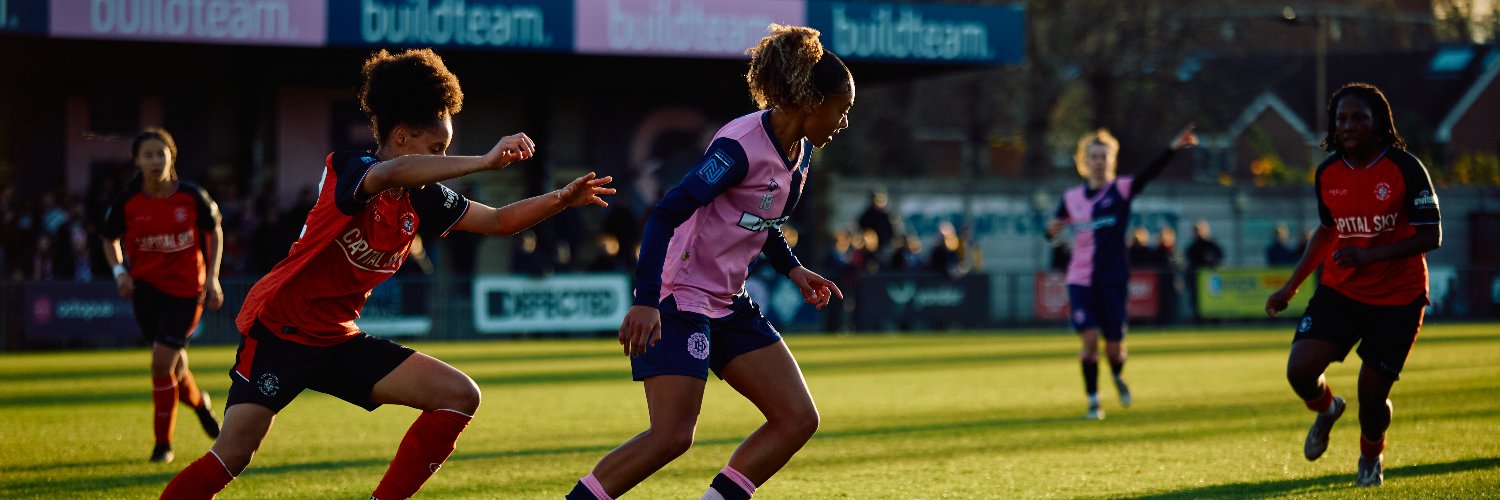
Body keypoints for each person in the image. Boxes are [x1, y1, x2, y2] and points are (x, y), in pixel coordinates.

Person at [160, 48, 615, 499]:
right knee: (233, 454)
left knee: (460, 395)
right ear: (400, 137)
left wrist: (562, 197)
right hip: (281, 330)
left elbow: (498, 221)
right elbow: (392, 172)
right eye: (436, 149)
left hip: (337, 339)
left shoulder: (421, 195)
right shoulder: (351, 170)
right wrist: (484, 161)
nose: (442, 159)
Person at [566, 24, 851, 500]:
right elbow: (666, 214)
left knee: (797, 418)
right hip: (682, 296)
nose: (843, 123)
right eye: (842, 111)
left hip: (729, 301)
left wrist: (793, 268)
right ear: (809, 103)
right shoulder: (738, 147)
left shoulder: (800, 156)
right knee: (672, 436)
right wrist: (646, 301)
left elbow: (760, 220)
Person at [1265, 82, 1441, 488]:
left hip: (1398, 299)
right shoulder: (1327, 172)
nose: (1348, 126)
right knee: (1300, 371)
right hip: (1342, 291)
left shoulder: (1406, 168)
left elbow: (1431, 236)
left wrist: (1370, 256)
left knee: (1372, 396)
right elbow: (1327, 233)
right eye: (1341, 118)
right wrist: (1290, 287)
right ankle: (1327, 410)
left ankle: (1370, 456)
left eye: (1359, 118)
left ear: (1377, 123)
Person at [1045, 125, 1197, 420]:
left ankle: (1116, 374)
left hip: (1113, 280)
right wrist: (1050, 231)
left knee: (1114, 349)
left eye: (1104, 156)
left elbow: (1148, 174)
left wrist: (1173, 148)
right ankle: (1093, 401)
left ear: (1111, 160)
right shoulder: (1072, 198)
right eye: (1094, 156)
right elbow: (1054, 229)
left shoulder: (1122, 190)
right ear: (1084, 161)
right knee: (1089, 343)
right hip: (1080, 280)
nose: (1099, 162)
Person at [101, 128, 224, 463]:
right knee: (174, 366)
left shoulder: (192, 196)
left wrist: (212, 278)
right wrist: (120, 272)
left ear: (172, 155)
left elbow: (214, 231)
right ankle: (201, 405)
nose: (155, 161)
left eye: (161, 153)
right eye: (148, 155)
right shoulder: (127, 202)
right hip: (146, 293)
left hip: (186, 292)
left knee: (160, 361)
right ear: (137, 161)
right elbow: (108, 239)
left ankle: (162, 445)